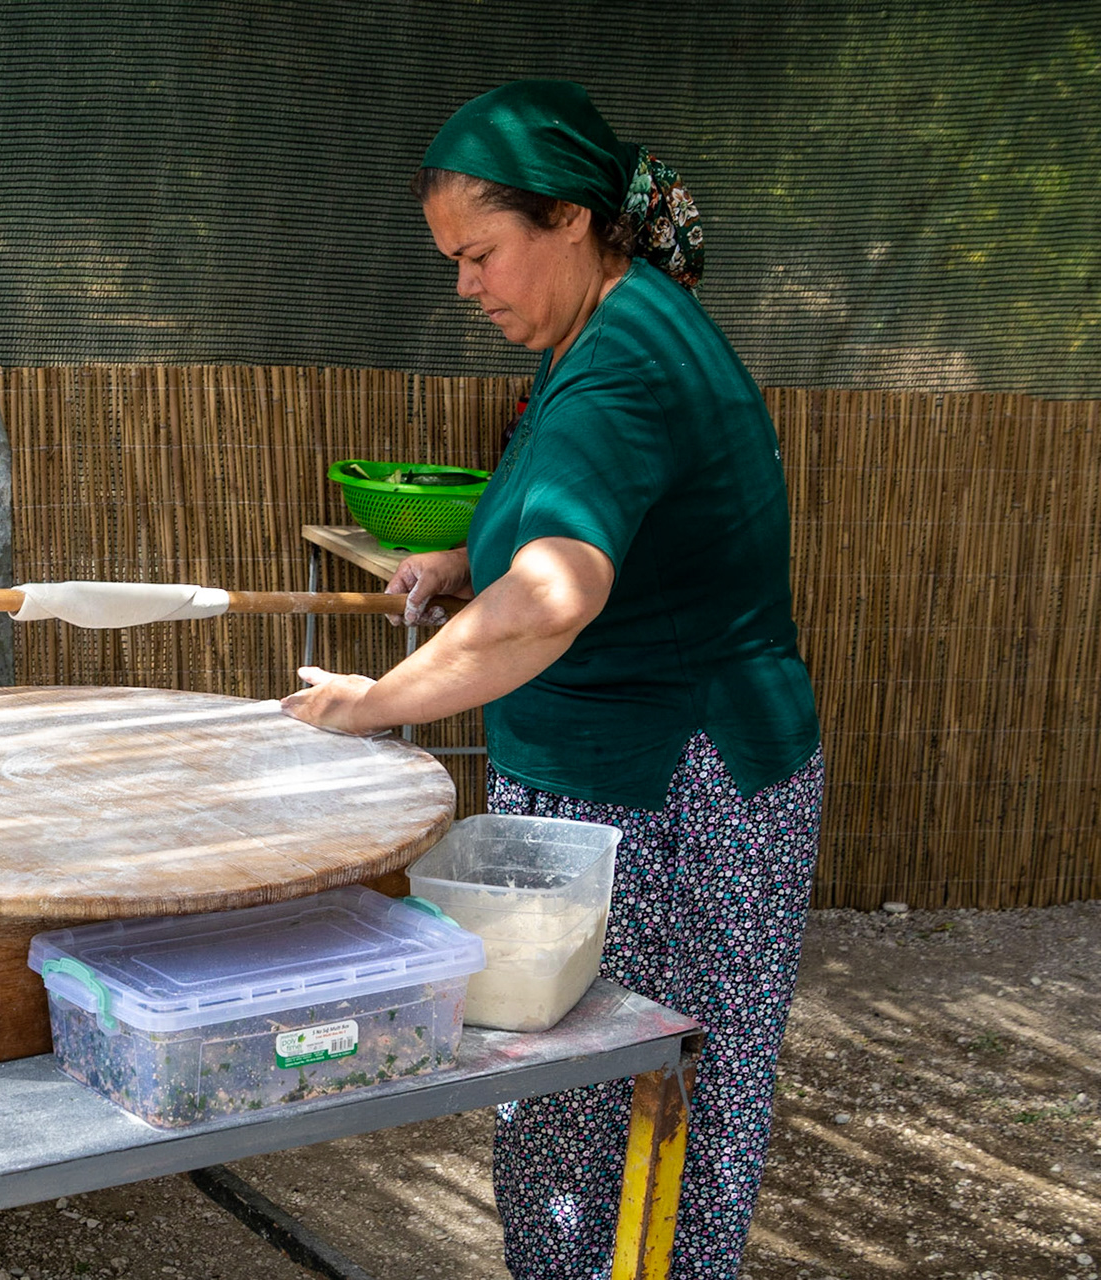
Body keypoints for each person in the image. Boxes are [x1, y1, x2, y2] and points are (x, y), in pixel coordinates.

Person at [280, 80, 822, 1279]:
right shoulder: (600, 330)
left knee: (640, 1106)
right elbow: (575, 501)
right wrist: (464, 557)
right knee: (566, 1106)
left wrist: (373, 704)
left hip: (678, 801)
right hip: (616, 785)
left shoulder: (628, 360)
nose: (464, 286)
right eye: (453, 261)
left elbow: (556, 595)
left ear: (571, 219)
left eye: (479, 255)